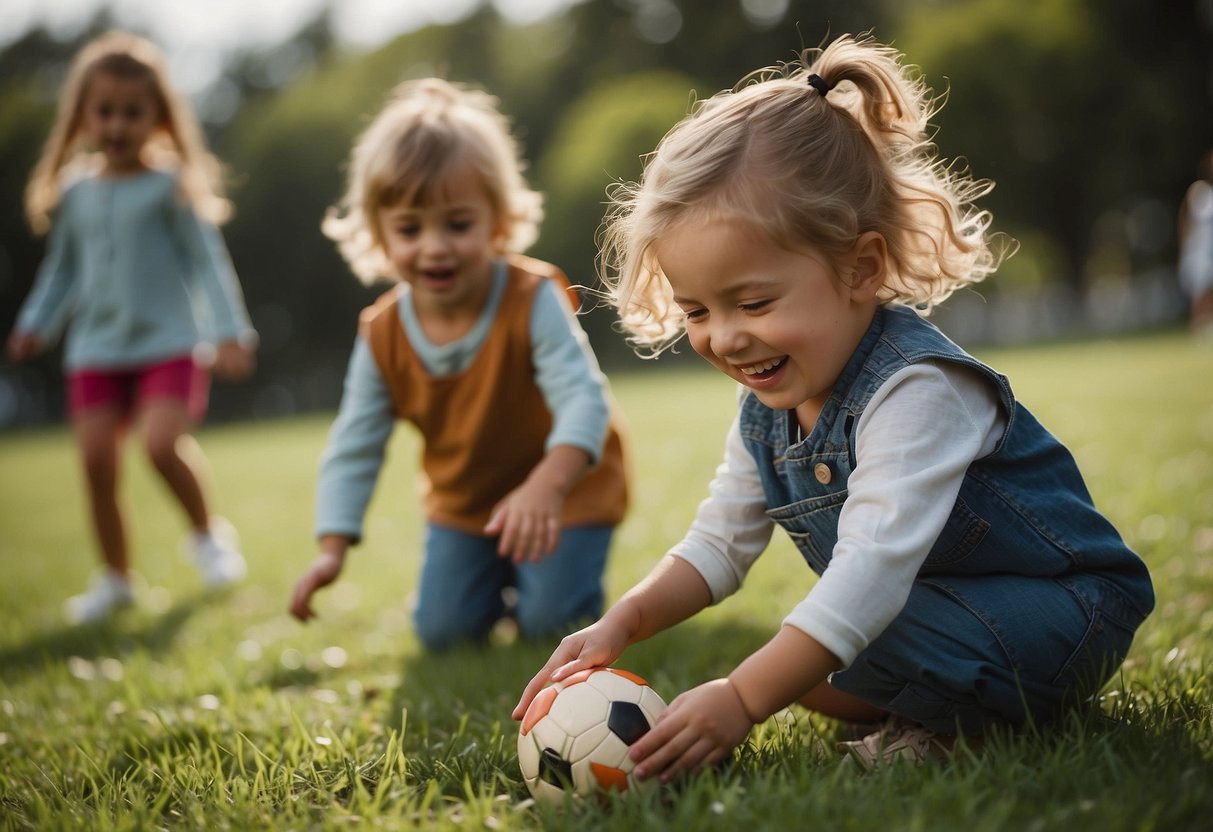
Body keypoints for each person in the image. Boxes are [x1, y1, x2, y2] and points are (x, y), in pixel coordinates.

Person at [513, 34, 1154, 775]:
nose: (725, 338)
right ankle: (932, 701)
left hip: (1064, 615)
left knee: (816, 639)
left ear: (860, 268)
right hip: (937, 614)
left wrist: (742, 698)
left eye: (752, 301)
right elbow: (719, 544)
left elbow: (870, 573)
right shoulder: (766, 408)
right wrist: (620, 623)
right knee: (805, 664)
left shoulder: (917, 389)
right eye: (695, 312)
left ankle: (964, 731)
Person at [287, 78, 628, 651]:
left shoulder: (531, 297)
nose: (435, 246)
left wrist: (547, 485)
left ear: (497, 219)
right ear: (378, 232)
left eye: (458, 224)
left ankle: (552, 586)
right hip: (466, 508)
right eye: (410, 228)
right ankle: (497, 582)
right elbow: (355, 440)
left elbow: (583, 398)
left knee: (550, 625)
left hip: (565, 491)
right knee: (443, 633)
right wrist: (332, 548)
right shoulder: (383, 333)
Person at [6, 32, 258, 624]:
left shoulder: (171, 187)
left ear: (158, 118)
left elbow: (208, 263)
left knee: (160, 445)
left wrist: (230, 332)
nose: (118, 125)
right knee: (95, 461)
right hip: (96, 347)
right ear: (82, 117)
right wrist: (34, 323)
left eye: (132, 113)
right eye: (105, 112)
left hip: (168, 341)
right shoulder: (75, 193)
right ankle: (117, 579)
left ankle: (207, 537)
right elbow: (62, 271)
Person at [1177, 150, 1213, 336]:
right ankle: (1198, 328)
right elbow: (1187, 222)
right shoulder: (1199, 191)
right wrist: (1185, 248)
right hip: (1199, 251)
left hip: (1210, 251)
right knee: (1200, 290)